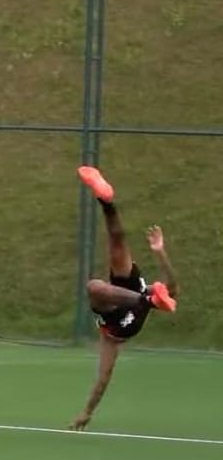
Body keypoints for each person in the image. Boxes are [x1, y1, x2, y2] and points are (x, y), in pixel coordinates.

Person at [70, 166, 179, 431]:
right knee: (116, 243)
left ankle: (105, 198)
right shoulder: (147, 294)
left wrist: (87, 412)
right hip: (136, 297)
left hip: (120, 313)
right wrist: (159, 252)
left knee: (96, 285)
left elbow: (103, 379)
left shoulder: (109, 339)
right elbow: (173, 289)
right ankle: (106, 201)